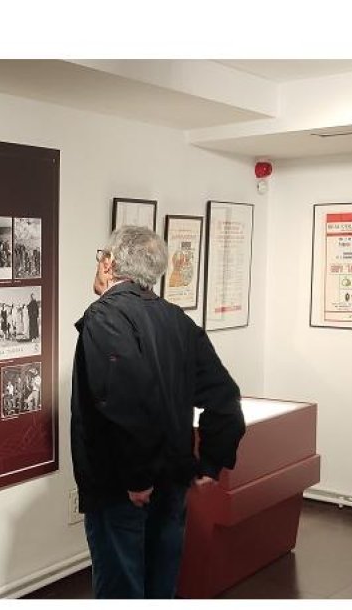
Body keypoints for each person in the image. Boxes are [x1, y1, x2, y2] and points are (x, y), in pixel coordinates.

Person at [72, 226, 245, 600]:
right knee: (160, 588)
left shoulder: (104, 317)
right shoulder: (176, 320)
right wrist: (211, 462)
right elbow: (226, 398)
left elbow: (123, 400)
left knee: (123, 590)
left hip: (125, 488)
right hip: (171, 482)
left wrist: (138, 478)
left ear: (109, 262)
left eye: (101, 256)